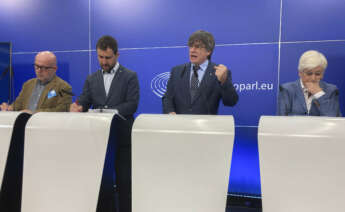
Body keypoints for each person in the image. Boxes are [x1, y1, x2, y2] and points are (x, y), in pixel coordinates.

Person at [70, 35, 139, 212]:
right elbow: (84, 101)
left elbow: (132, 104)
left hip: (123, 138)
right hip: (99, 140)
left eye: (107, 57)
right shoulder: (91, 79)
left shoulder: (130, 76)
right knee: (100, 184)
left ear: (117, 55)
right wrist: (77, 107)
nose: (104, 61)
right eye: (100, 57)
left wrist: (108, 112)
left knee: (125, 183)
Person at [162, 30, 238, 114]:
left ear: (208, 51)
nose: (192, 50)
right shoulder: (177, 71)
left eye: (197, 47)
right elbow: (167, 98)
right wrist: (170, 111)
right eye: (190, 46)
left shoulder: (218, 72)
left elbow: (231, 102)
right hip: (180, 125)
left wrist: (224, 81)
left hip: (206, 126)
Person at [0, 51, 72, 113]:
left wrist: (33, 113)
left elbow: (62, 110)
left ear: (54, 69)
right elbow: (18, 104)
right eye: (37, 66)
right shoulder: (28, 84)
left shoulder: (63, 87)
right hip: (24, 124)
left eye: (44, 68)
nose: (39, 70)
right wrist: (10, 108)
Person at [278, 50, 341, 116]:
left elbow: (334, 119)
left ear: (322, 74)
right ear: (300, 73)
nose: (313, 78)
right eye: (309, 73)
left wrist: (319, 94)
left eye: (318, 74)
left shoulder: (331, 90)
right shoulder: (287, 90)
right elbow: (281, 120)